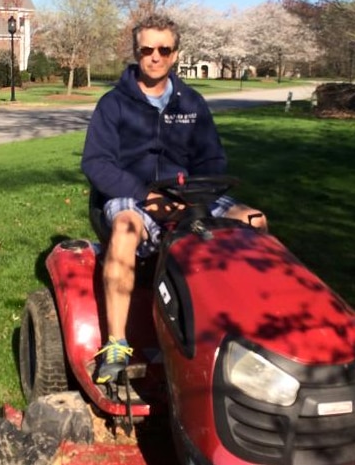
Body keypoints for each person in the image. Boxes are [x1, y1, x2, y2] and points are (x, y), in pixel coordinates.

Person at [81, 14, 267, 384]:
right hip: (130, 196)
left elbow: (213, 159)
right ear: (136, 52)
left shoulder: (192, 103)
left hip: (187, 194)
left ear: (176, 53)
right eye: (147, 49)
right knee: (124, 229)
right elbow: (96, 163)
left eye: (163, 49)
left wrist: (194, 195)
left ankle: (254, 328)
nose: (155, 56)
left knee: (254, 220)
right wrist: (144, 195)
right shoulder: (113, 104)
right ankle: (117, 343)